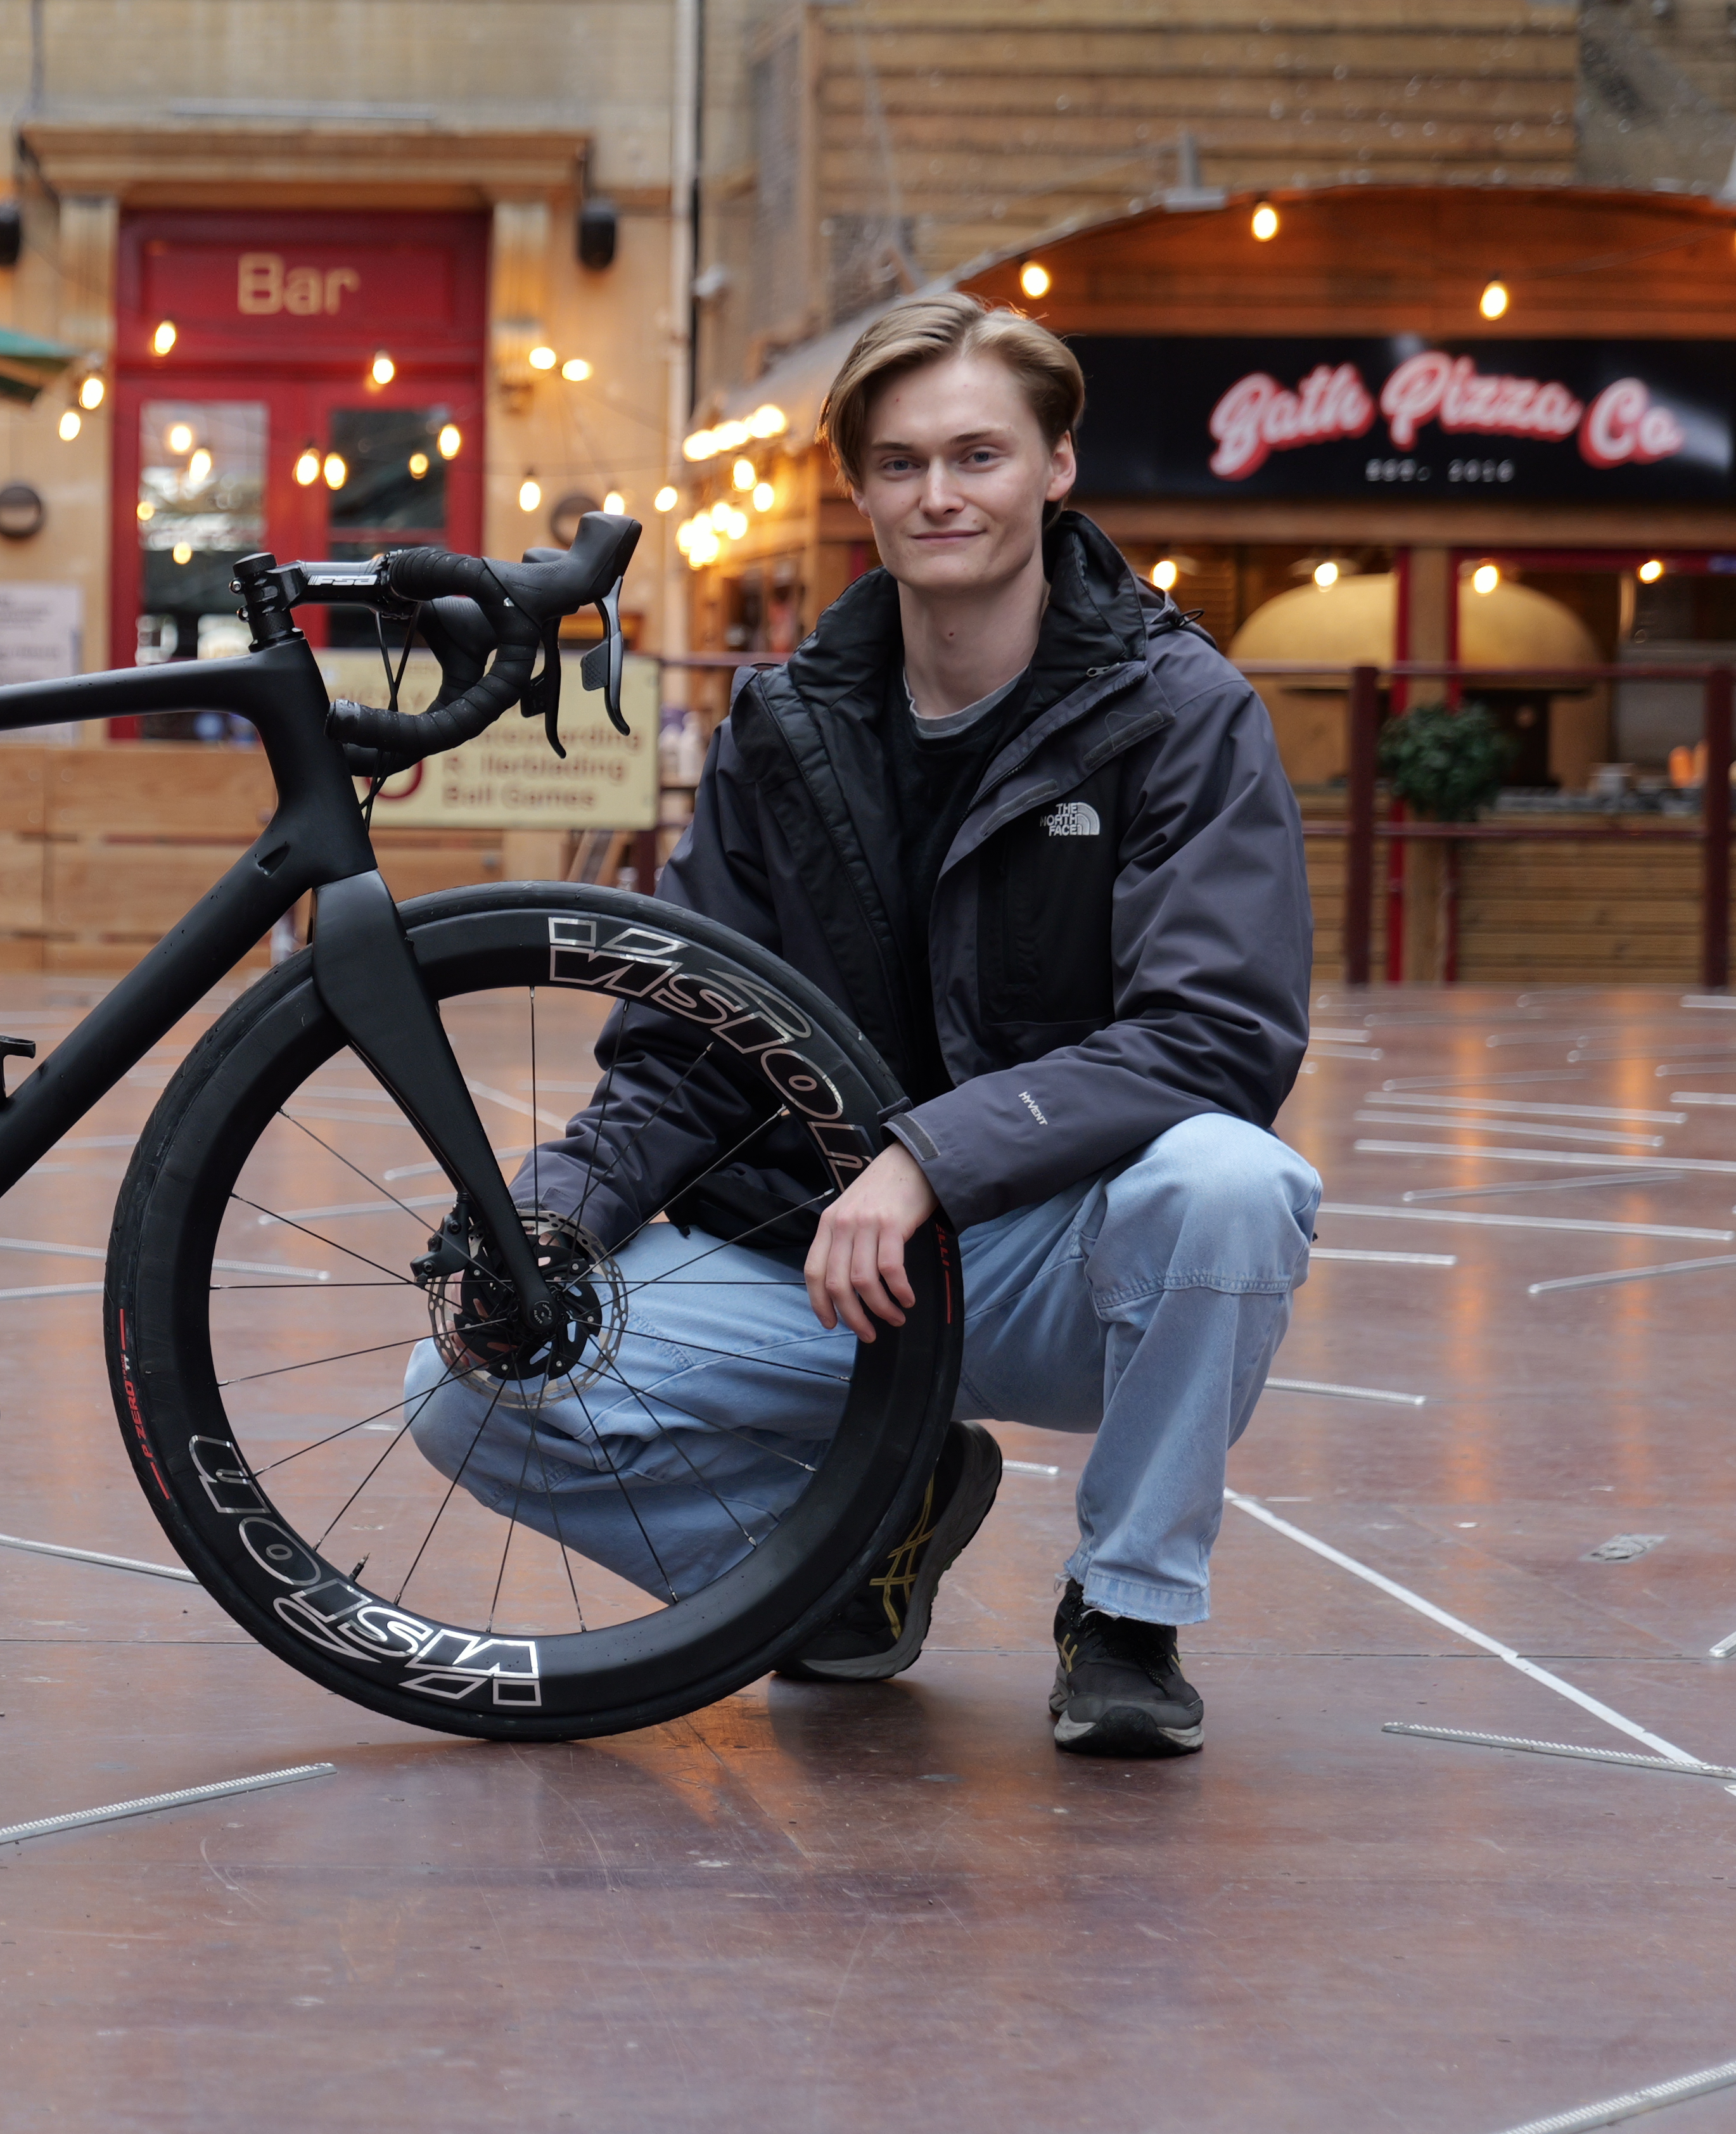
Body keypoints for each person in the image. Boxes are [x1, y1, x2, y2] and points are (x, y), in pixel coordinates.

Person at [409, 291, 1317, 1757]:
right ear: (858, 487)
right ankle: (851, 1553)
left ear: (1056, 467)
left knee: (1232, 1185)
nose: (940, 494)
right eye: (901, 463)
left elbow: (1214, 1034)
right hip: (818, 1263)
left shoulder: (1179, 709)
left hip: (1052, 1256)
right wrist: (553, 1216)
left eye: (979, 454)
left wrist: (926, 1161)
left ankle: (1127, 1612)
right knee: (463, 1394)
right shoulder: (788, 725)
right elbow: (691, 1034)